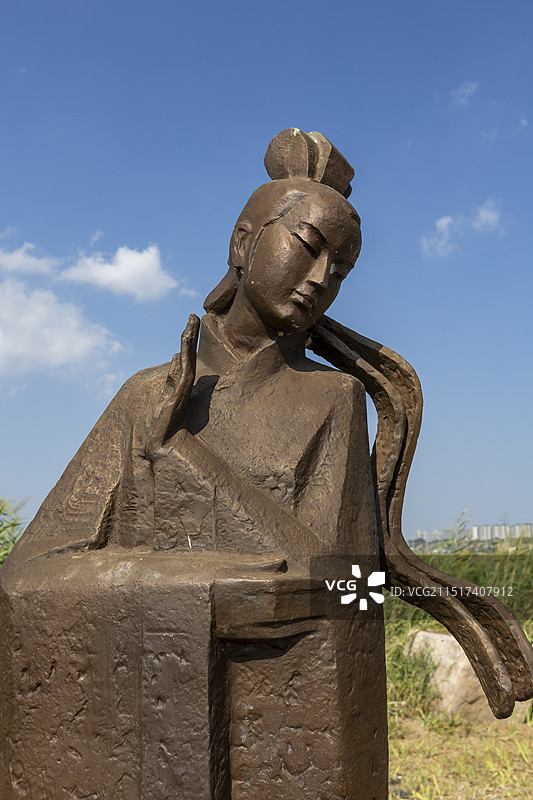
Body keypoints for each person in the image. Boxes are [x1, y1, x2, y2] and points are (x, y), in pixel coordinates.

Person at [2, 129, 532, 800]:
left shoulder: (333, 399)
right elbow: (25, 578)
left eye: (339, 272)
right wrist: (188, 584)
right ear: (242, 242)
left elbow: (351, 587)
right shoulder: (146, 397)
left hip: (284, 734)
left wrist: (179, 454)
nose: (319, 280)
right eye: (307, 247)